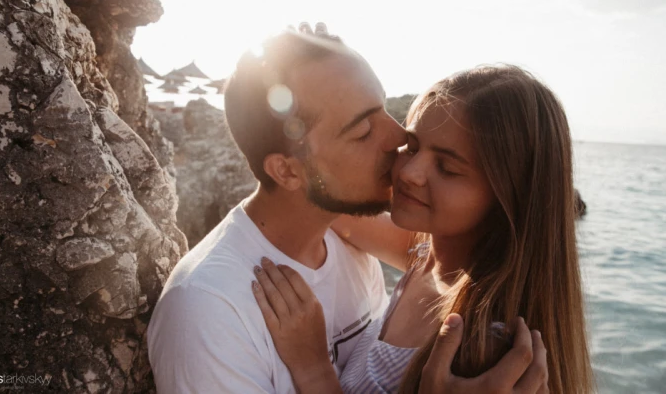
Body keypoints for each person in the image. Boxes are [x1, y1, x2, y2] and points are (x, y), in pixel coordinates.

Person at [147, 26, 548, 393]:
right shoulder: (209, 311)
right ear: (287, 170)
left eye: (383, 110)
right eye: (363, 130)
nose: (399, 138)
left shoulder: (350, 235)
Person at [252, 65, 593, 393]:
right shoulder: (425, 257)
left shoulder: (484, 345)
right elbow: (337, 207)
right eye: (412, 147)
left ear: (509, 197)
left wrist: (313, 368)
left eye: (447, 167)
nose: (409, 172)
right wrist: (311, 71)